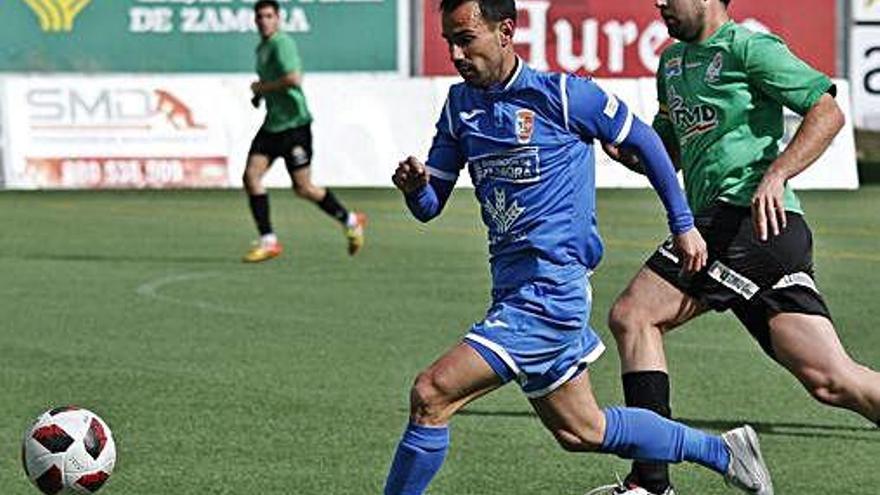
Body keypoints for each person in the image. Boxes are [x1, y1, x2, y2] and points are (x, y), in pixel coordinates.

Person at [383, 1, 774, 494]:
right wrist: (415, 187)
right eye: (449, 43)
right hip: (512, 293)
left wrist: (682, 224)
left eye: (465, 39)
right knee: (581, 429)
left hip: (549, 294)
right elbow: (429, 204)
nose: (456, 53)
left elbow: (649, 143)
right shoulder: (461, 107)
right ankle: (724, 451)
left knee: (431, 393)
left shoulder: (565, 95)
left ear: (506, 31)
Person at [591, 1, 880, 494]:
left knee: (634, 315)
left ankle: (651, 483)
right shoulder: (672, 63)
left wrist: (778, 173)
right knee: (831, 379)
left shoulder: (751, 47)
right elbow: (668, 153)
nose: (658, 1)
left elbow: (828, 110)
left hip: (746, 220)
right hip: (756, 235)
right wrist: (619, 144)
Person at [241, 0, 366, 263]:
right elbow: (275, 83)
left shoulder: (281, 43)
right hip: (273, 124)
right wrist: (260, 96)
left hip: (295, 125)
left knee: (303, 187)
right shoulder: (262, 48)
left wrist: (262, 89)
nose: (264, 21)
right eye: (260, 16)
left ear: (278, 18)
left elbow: (293, 78)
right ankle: (268, 241)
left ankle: (350, 220)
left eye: (268, 16)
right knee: (251, 177)